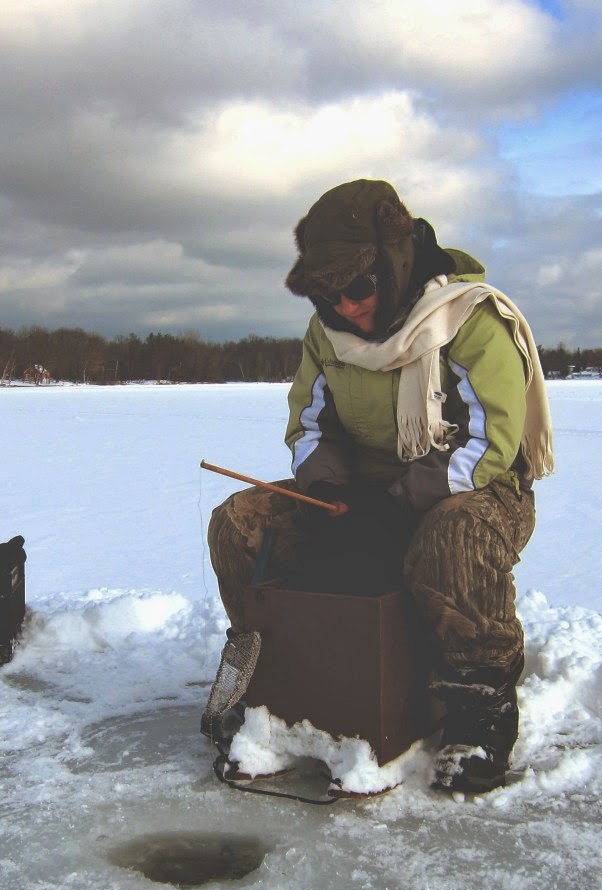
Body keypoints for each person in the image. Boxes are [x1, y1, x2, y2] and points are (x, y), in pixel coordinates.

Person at [206, 178, 554, 795]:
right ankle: (271, 682)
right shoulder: (327, 334)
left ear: (394, 265)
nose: (345, 306)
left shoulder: (469, 320)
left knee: (453, 535)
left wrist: (398, 503)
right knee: (240, 520)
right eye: (325, 294)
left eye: (358, 287)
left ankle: (479, 704)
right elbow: (309, 424)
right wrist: (329, 486)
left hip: (476, 492)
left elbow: (490, 444)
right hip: (360, 495)